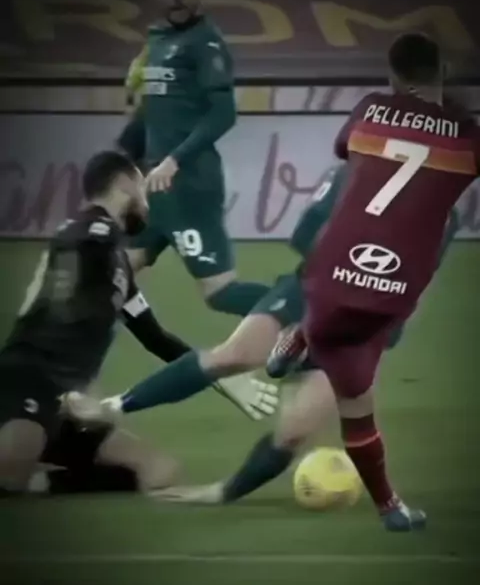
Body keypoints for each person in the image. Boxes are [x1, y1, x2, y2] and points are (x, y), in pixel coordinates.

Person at [95, 163, 459, 511]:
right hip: (310, 294)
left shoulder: (444, 213)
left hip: (362, 328)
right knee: (233, 355)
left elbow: (417, 280)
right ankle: (113, 406)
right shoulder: (350, 173)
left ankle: (222, 493)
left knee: (295, 430)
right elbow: (304, 238)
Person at [282, 32, 480, 532]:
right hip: (393, 291)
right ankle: (389, 509)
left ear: (392, 76)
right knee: (358, 396)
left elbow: (346, 149)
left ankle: (304, 335)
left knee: (333, 334)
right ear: (443, 73)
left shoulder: (369, 109)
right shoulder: (467, 135)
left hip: (330, 276)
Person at [0, 150, 275, 498]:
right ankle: (24, 465)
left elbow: (156, 339)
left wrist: (219, 374)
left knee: (160, 472)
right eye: (144, 190)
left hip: (67, 404)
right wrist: (88, 385)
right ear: (126, 183)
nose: (147, 206)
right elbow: (75, 258)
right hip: (28, 382)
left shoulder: (118, 267)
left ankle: (40, 478)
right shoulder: (86, 233)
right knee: (9, 477)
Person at [119, 0, 270, 317]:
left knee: (221, 294)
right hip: (152, 189)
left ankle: (306, 311)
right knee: (112, 277)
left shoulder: (206, 43)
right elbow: (150, 113)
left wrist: (174, 160)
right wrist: (125, 158)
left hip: (188, 187)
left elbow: (224, 114)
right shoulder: (156, 41)